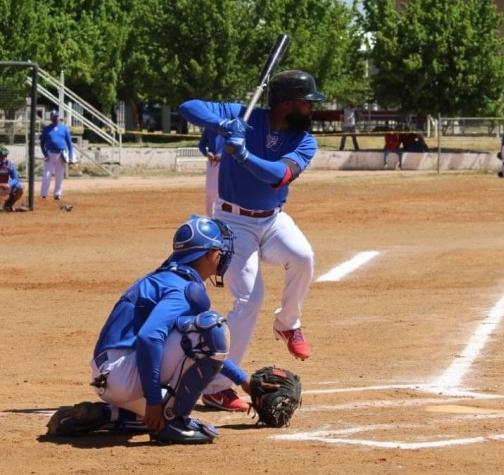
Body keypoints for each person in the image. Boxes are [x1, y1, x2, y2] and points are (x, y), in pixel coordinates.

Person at [178, 69, 326, 411]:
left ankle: (288, 323)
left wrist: (243, 155)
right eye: (307, 104)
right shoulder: (242, 115)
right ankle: (215, 387)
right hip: (231, 222)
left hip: (272, 219)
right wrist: (219, 127)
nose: (312, 110)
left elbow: (280, 176)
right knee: (249, 299)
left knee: (303, 257)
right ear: (287, 104)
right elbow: (189, 106)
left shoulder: (305, 141)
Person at [46, 215, 254, 444]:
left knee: (178, 382)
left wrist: (244, 381)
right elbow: (150, 337)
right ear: (208, 254)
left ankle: (110, 415)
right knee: (212, 326)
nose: (223, 254)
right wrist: (154, 401)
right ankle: (172, 421)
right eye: (219, 249)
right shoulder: (184, 288)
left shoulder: (166, 278)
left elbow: (194, 347)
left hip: (108, 374)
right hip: (125, 372)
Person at [39, 109, 74, 200]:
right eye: (53, 117)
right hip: (50, 154)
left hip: (61, 154)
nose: (55, 119)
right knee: (47, 175)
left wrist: (70, 156)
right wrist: (45, 154)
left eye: (56, 117)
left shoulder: (64, 128)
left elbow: (69, 144)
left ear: (58, 117)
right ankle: (43, 194)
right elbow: (42, 143)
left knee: (59, 175)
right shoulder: (47, 129)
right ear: (51, 118)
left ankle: (57, 194)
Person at [198, 128, 225, 216]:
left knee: (225, 192)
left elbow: (236, 146)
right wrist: (207, 153)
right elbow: (201, 145)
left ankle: (224, 216)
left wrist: (223, 156)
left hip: (227, 164)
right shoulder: (209, 129)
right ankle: (210, 216)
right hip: (212, 164)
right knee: (210, 192)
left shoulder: (229, 129)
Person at [0, 146, 24, 212]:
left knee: (20, 187)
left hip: (6, 187)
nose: (3, 157)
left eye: (5, 155)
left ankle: (8, 205)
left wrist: (9, 184)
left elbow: (16, 178)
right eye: (1, 155)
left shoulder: (9, 164)